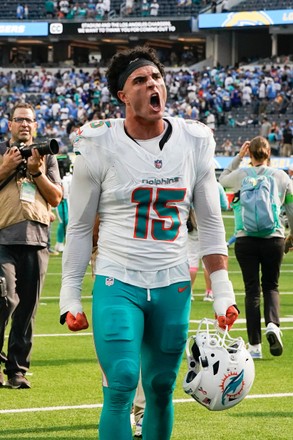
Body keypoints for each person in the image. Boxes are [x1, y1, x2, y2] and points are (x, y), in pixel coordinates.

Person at [59, 46, 239, 440]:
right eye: (140, 80)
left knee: (160, 387)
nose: (152, 84)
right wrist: (69, 296)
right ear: (122, 95)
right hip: (117, 280)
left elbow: (210, 222)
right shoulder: (97, 142)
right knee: (122, 380)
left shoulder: (194, 140)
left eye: (156, 77)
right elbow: (78, 227)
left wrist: (223, 291)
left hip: (173, 280)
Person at [0, 102, 62, 388]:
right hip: (3, 237)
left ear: (35, 126)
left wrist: (36, 172)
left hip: (37, 239)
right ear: (10, 125)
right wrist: (6, 167)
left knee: (27, 311)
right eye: (19, 120)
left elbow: (56, 198)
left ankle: (17, 371)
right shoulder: (2, 152)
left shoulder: (46, 157)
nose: (24, 124)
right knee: (4, 299)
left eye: (30, 120)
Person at [219, 136, 293, 360]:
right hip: (274, 238)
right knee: (271, 285)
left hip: (245, 238)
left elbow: (221, 180)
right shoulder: (281, 176)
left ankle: (255, 346)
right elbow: (291, 208)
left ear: (250, 153)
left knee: (252, 290)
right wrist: (291, 236)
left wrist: (238, 157)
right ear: (269, 153)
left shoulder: (242, 175)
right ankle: (272, 324)